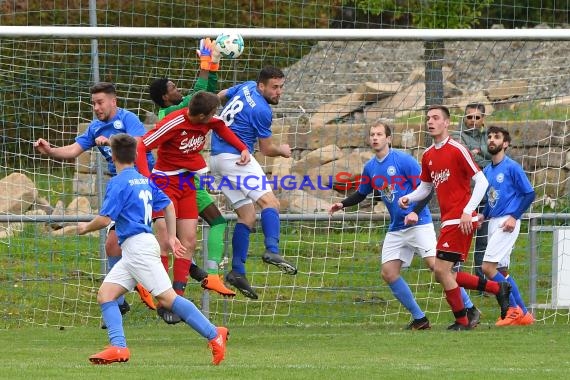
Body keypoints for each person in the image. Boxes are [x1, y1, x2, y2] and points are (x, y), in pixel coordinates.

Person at [77, 133, 228, 365]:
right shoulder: (144, 180)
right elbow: (167, 204)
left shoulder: (119, 183)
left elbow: (105, 219)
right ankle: (118, 347)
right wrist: (170, 236)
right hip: (134, 249)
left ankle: (213, 333)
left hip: (138, 248)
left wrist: (84, 227)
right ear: (135, 155)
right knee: (106, 295)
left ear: (113, 156)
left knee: (168, 299)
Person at [329, 121, 480, 330]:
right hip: (397, 228)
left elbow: (427, 189)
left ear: (389, 138)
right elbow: (362, 193)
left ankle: (469, 308)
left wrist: (415, 213)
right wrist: (342, 204)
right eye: (372, 134)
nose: (375, 138)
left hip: (420, 224)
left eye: (379, 134)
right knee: (388, 272)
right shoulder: (371, 167)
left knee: (438, 268)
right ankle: (420, 319)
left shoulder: (403, 160)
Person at [34, 81, 156, 316]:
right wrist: (50, 150)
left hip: (143, 184)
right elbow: (72, 150)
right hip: (123, 186)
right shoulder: (94, 128)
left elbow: (141, 144)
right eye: (93, 104)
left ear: (113, 101)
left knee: (149, 239)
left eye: (100, 103)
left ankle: (148, 286)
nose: (97, 108)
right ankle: (120, 302)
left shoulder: (128, 119)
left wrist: (112, 140)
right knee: (112, 245)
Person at [136, 91, 250, 321]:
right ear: (200, 116)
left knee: (188, 241)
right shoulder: (174, 122)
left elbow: (221, 128)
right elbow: (141, 146)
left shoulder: (209, 120)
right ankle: (159, 293)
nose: (214, 118)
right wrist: (147, 179)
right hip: (164, 183)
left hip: (187, 181)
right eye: (212, 115)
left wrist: (243, 148)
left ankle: (177, 299)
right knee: (166, 242)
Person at [398, 105, 511, 330]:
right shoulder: (428, 155)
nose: (430, 121)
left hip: (460, 220)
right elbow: (426, 187)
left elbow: (481, 181)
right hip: (449, 220)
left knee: (441, 270)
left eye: (435, 118)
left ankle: (463, 320)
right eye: (428, 118)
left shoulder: (457, 149)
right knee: (445, 272)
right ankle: (498, 289)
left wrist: (468, 212)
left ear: (447, 122)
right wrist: (409, 198)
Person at [148, 37, 236, 300]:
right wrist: (204, 64)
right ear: (166, 97)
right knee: (167, 241)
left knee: (212, 224)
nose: (178, 90)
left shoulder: (190, 108)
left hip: (189, 182)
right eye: (174, 88)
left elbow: (206, 95)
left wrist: (214, 65)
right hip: (169, 182)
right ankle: (163, 290)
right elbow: (200, 89)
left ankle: (208, 276)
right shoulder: (170, 115)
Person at [209, 66, 297, 300]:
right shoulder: (262, 110)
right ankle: (272, 250)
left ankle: (237, 271)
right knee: (271, 203)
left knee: (247, 215)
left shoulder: (247, 85)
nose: (279, 92)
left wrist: (208, 109)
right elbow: (267, 149)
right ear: (262, 86)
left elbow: (221, 95)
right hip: (236, 159)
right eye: (274, 87)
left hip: (216, 158)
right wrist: (284, 151)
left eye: (281, 87)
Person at [479, 125, 536, 326]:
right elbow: (490, 199)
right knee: (501, 271)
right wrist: (482, 216)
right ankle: (525, 314)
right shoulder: (487, 170)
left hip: (507, 222)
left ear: (505, 144)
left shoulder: (512, 167)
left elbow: (530, 193)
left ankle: (512, 309)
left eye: (496, 137)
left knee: (487, 267)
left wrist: (514, 216)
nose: (491, 140)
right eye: (490, 137)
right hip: (494, 222)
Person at [451, 103, 491, 283]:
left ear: (483, 119)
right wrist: (483, 154)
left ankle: (481, 278)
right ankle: (455, 276)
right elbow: (463, 158)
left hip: (486, 193)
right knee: (462, 234)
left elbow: (495, 153)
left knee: (483, 238)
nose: (473, 121)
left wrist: (478, 152)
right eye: (469, 117)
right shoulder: (457, 136)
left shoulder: (489, 134)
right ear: (464, 118)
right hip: (466, 194)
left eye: (477, 117)